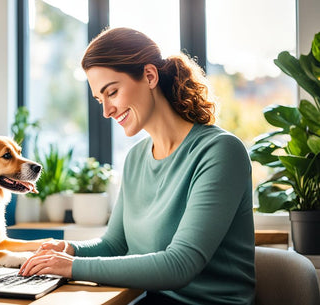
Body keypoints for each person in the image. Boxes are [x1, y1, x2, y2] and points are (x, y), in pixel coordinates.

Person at [19, 27, 255, 305]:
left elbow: (180, 265)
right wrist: (68, 250)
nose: (106, 111)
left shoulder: (219, 151)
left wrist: (70, 267)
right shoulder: (135, 159)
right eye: (99, 100)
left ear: (150, 76)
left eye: (113, 92)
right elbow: (115, 245)